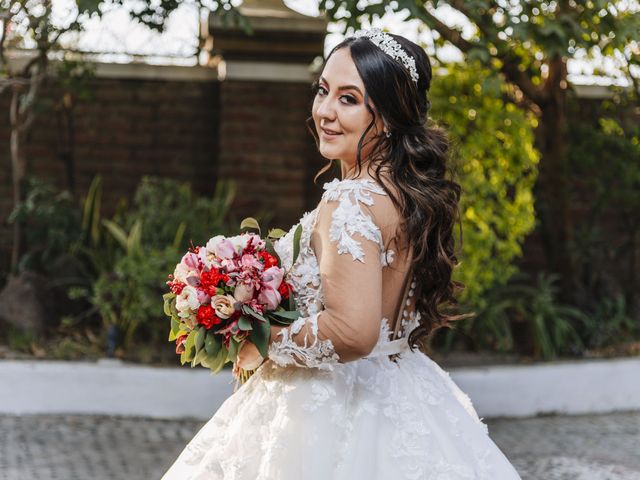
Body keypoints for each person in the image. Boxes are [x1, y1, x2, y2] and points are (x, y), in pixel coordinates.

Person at [162, 28, 522, 480]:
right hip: (403, 387)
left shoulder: (349, 201)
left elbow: (353, 331)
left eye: (349, 99)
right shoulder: (405, 195)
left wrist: (260, 340)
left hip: (327, 408)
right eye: (323, 90)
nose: (325, 112)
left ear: (388, 116)